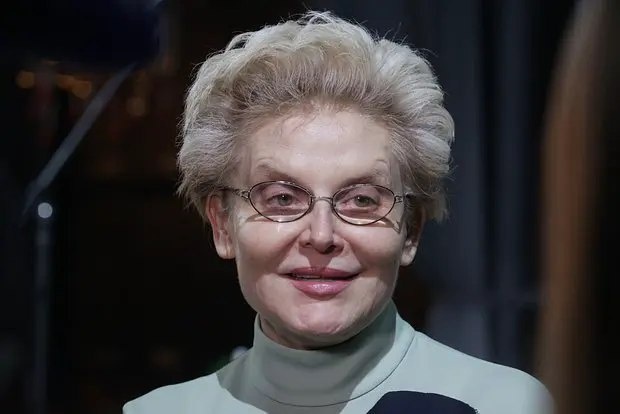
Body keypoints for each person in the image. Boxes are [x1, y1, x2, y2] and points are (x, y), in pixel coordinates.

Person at [123, 11, 552, 414]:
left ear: (411, 230)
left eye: (362, 200)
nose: (322, 235)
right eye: (282, 199)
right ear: (223, 225)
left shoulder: (507, 404)